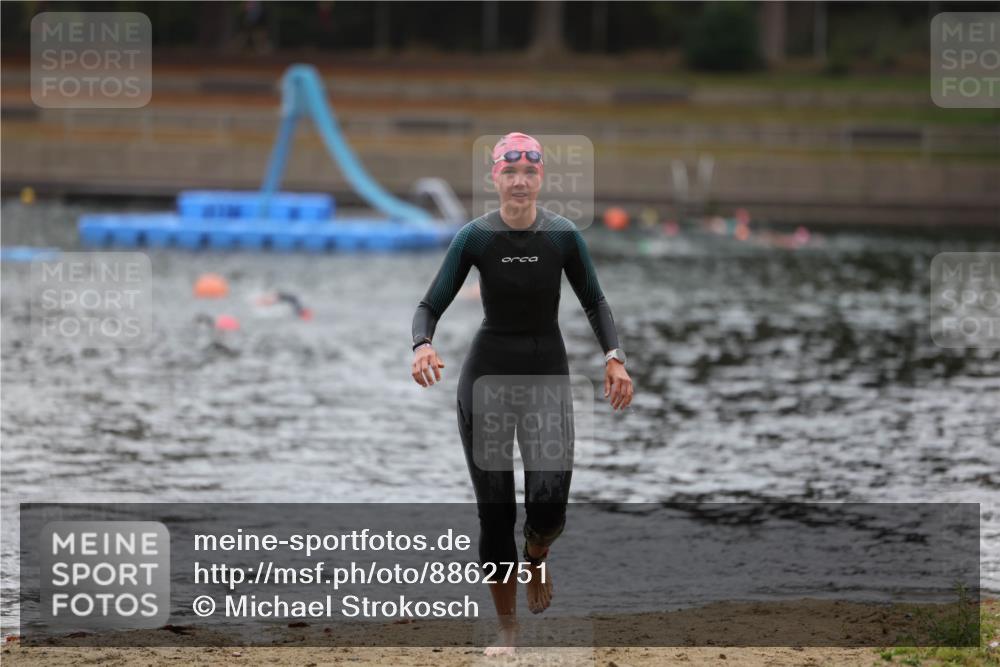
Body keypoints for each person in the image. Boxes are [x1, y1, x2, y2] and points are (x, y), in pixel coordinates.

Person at [410, 132, 633, 655]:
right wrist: (423, 345)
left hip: (546, 378)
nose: (519, 180)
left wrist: (614, 356)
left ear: (540, 178)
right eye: (509, 172)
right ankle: (507, 629)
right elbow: (429, 305)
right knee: (495, 513)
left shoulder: (562, 237)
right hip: (486, 379)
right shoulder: (475, 238)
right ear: (495, 177)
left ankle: (537, 556)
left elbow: (595, 302)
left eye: (529, 172)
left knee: (549, 510)